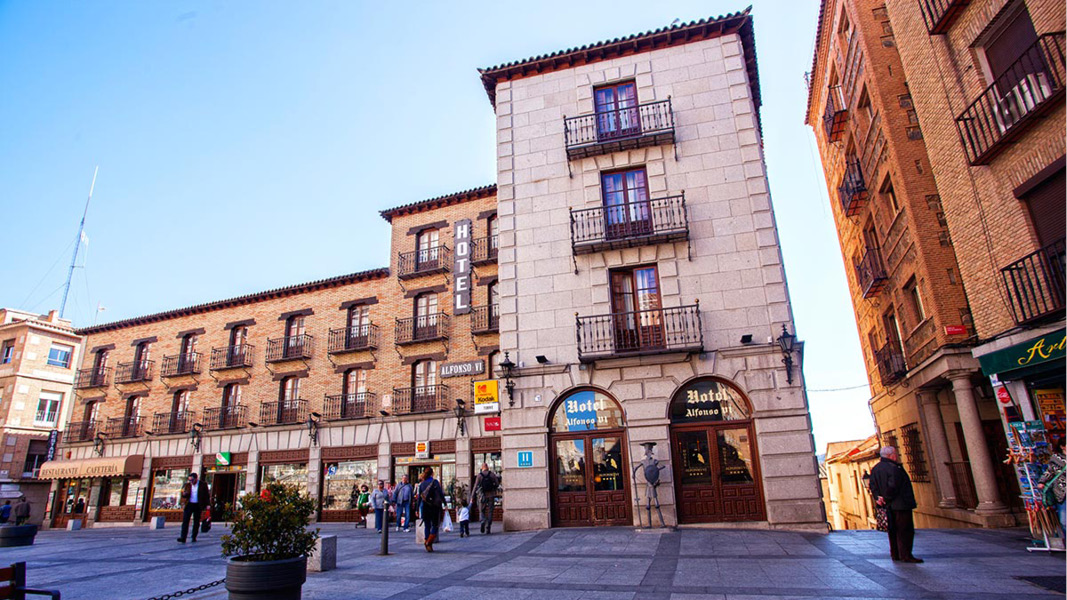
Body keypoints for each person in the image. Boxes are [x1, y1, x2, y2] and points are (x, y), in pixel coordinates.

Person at [869, 446, 922, 563]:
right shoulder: (894, 468)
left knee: (892, 530)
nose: (896, 456)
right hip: (901, 504)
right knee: (904, 530)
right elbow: (893, 486)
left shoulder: (876, 468)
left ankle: (895, 554)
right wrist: (887, 498)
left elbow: (872, 485)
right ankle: (906, 555)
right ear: (891, 455)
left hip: (887, 506)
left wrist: (878, 498)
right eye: (895, 454)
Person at [1037, 437, 1067, 538]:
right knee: (1064, 520)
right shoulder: (1056, 458)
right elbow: (1050, 471)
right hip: (1062, 492)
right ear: (1062, 447)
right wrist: (1042, 481)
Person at [417, 466, 445, 552]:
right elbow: (440, 493)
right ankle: (429, 541)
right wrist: (445, 503)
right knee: (435, 525)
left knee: (427, 525)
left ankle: (427, 542)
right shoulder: (435, 482)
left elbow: (419, 498)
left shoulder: (422, 484)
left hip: (425, 507)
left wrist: (417, 509)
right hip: (434, 507)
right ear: (432, 473)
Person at [177, 472, 210, 543]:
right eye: (189, 480)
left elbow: (207, 495)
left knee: (196, 521)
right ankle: (183, 537)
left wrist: (208, 504)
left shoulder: (203, 485)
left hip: (198, 505)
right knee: (185, 521)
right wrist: (184, 495)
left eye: (192, 480)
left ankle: (194, 536)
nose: (191, 482)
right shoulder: (188, 485)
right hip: (189, 504)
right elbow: (184, 495)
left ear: (196, 479)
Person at [472, 463, 500, 534]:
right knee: (490, 511)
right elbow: (497, 484)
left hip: (482, 496)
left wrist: (472, 496)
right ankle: (488, 528)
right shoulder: (492, 474)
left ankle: (483, 520)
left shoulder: (479, 475)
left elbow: (475, 486)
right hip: (491, 495)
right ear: (487, 467)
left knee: (482, 510)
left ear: (482, 468)